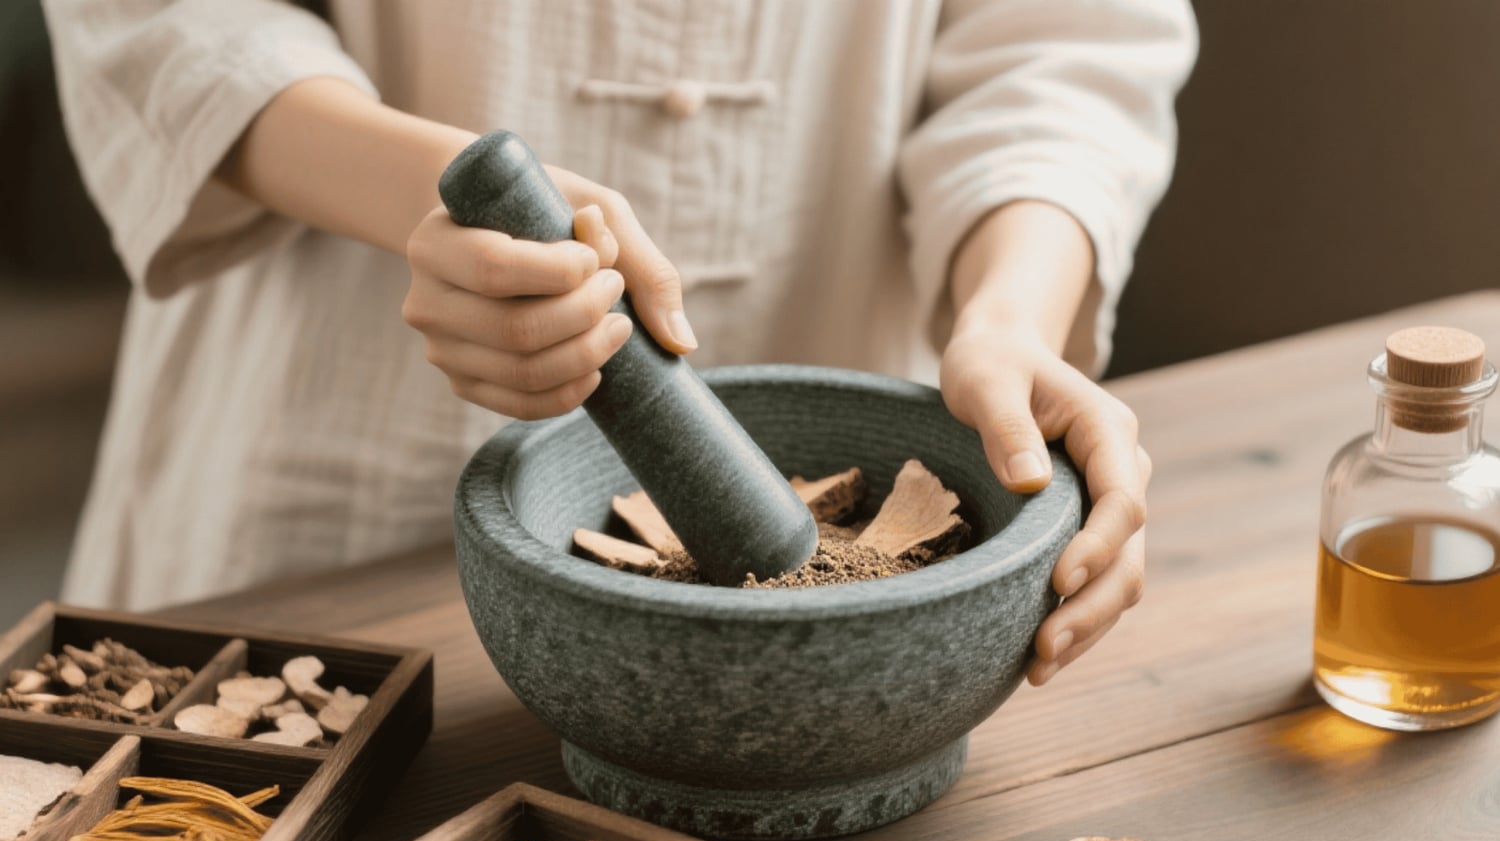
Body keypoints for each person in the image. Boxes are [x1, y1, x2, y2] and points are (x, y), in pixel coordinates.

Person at [44, 0, 1196, 686]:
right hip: (308, 463)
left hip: (848, 344)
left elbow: (1065, 42)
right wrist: (417, 197)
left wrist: (1009, 314)